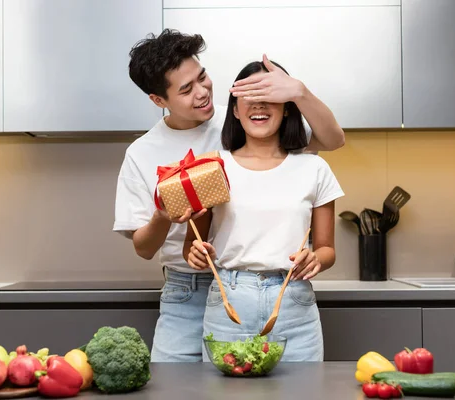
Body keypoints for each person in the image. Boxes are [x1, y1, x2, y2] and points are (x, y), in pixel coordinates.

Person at [113, 29, 345, 362]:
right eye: (186, 89)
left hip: (256, 286)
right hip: (187, 288)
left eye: (202, 78)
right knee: (177, 387)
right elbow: (144, 247)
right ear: (158, 100)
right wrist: (163, 214)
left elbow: (333, 139)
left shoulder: (249, 115)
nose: (202, 92)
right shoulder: (142, 154)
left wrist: (298, 91)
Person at [183, 59, 345, 362]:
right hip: (229, 303)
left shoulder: (314, 168)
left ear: (286, 108)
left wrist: (315, 259)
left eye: (270, 97)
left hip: (294, 301)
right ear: (234, 109)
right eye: (249, 96)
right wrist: (195, 253)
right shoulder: (212, 166)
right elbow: (192, 245)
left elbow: (326, 249)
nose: (260, 105)